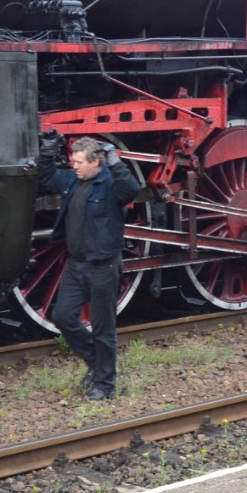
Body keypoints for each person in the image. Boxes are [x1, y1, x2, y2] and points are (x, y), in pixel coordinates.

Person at [37, 134, 142, 400]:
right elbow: (47, 178)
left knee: (103, 328)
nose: (74, 166)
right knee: (63, 316)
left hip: (103, 266)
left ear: (95, 162)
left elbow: (132, 189)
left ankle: (105, 384)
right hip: (77, 263)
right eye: (72, 161)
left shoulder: (111, 184)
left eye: (79, 162)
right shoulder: (73, 179)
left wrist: (116, 161)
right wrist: (47, 152)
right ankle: (96, 362)